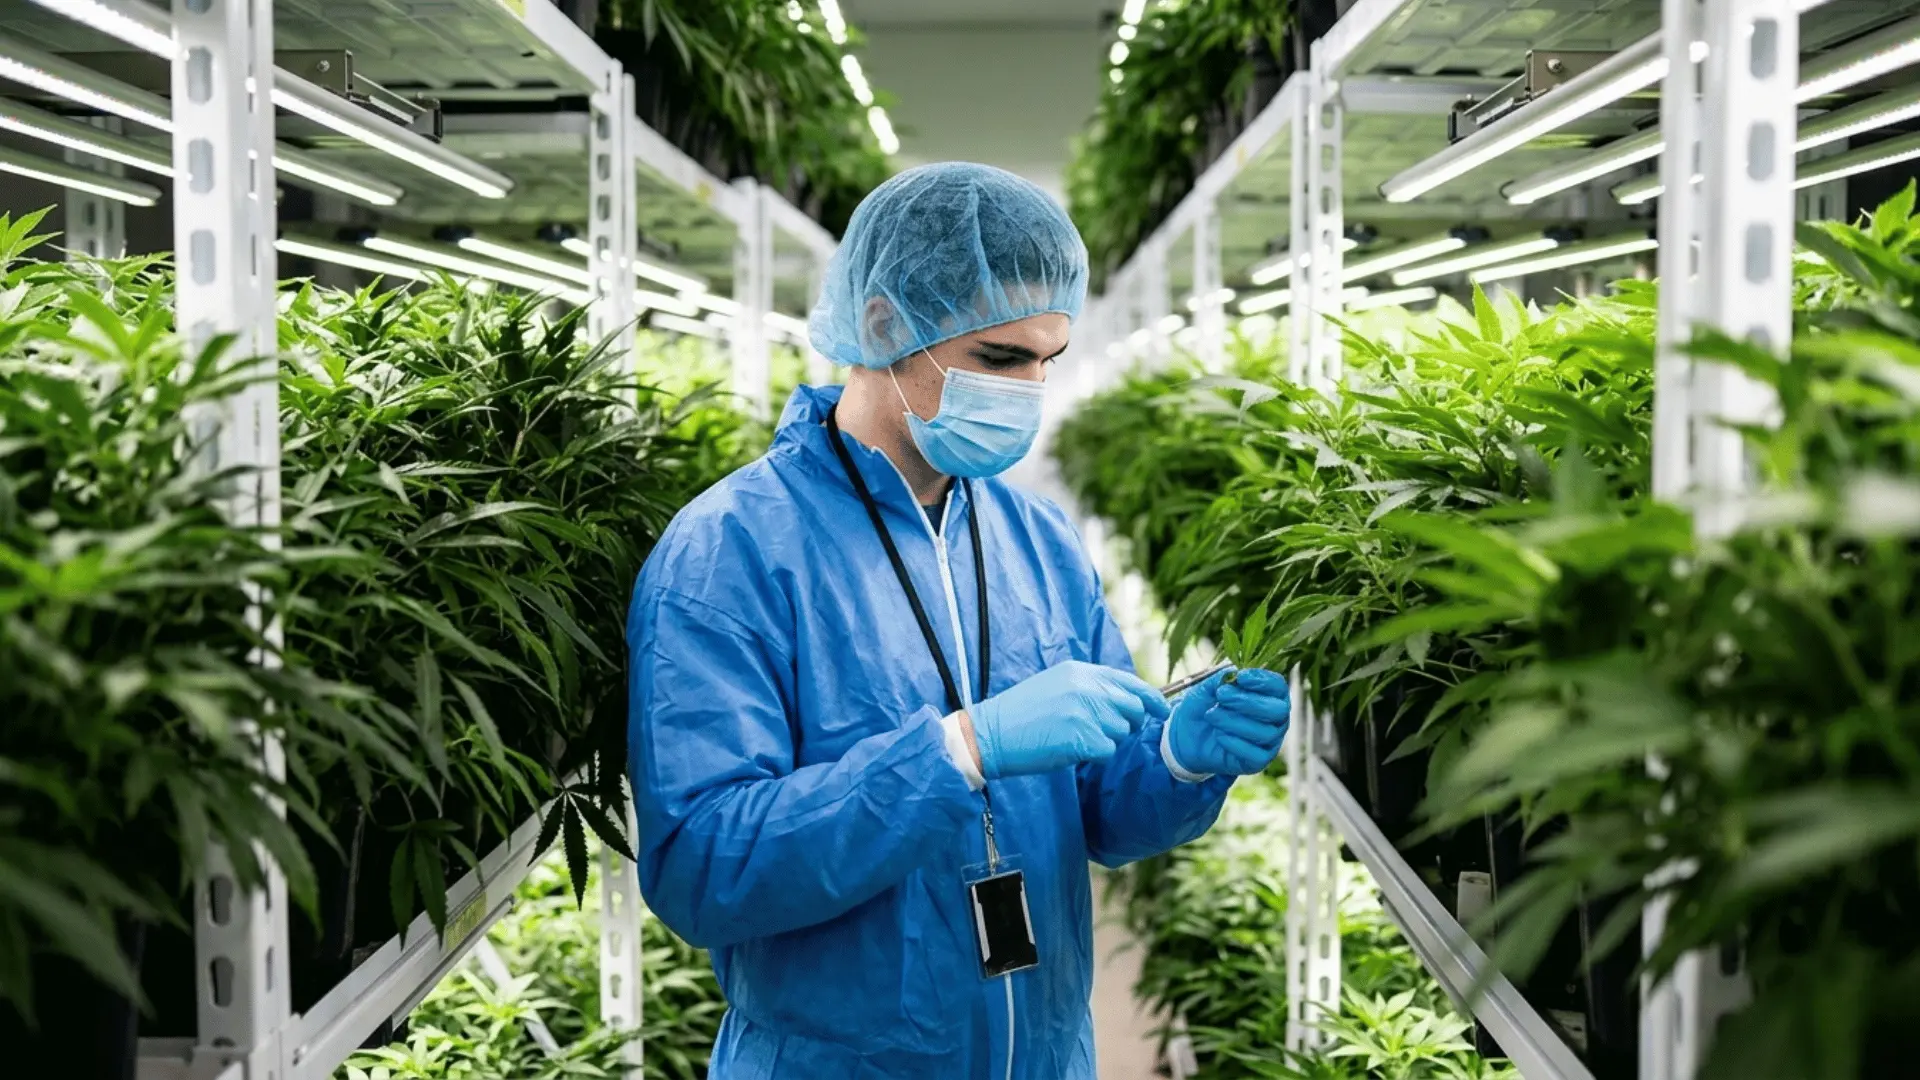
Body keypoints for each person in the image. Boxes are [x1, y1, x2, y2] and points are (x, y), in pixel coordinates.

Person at [627, 162, 1293, 1079]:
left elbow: (1100, 810)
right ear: (884, 324)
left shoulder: (1039, 540)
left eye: (1045, 360)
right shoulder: (727, 553)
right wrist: (955, 753)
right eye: (999, 359)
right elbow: (703, 867)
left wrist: (1179, 756)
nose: (1028, 389)